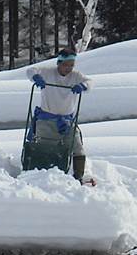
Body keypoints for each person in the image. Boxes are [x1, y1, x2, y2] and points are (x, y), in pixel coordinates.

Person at [26, 52, 92, 181]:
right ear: (59, 63)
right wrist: (36, 77)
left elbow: (89, 82)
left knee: (77, 148)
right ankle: (40, 176)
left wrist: (83, 86)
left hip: (67, 122)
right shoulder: (48, 72)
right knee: (44, 148)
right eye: (66, 65)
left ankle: (78, 177)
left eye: (71, 65)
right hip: (46, 120)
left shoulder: (76, 76)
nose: (69, 68)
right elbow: (30, 70)